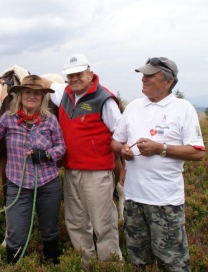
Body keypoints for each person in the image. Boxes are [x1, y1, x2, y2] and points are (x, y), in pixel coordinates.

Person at [111, 57, 205, 271]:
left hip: (166, 202)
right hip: (134, 200)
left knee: (173, 263)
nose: (143, 79)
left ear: (168, 81)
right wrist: (123, 149)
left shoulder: (183, 109)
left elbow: (197, 153)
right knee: (138, 261)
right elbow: (115, 141)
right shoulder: (133, 107)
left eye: (150, 75)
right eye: (143, 75)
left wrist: (160, 148)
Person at [0, 75, 66, 264]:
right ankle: (14, 265)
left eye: (37, 93)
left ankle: (51, 262)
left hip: (47, 184)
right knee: (15, 232)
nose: (32, 96)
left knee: (50, 228)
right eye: (27, 92)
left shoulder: (50, 120)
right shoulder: (8, 119)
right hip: (17, 185)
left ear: (43, 97)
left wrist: (46, 155)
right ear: (19, 95)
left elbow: (61, 148)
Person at [42, 54, 123, 263]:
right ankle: (85, 264)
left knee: (103, 223)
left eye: (79, 73)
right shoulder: (64, 93)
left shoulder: (104, 99)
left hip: (97, 173)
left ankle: (110, 266)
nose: (74, 78)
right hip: (71, 171)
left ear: (90, 73)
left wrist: (121, 163)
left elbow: (121, 132)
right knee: (76, 222)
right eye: (70, 75)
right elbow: (43, 82)